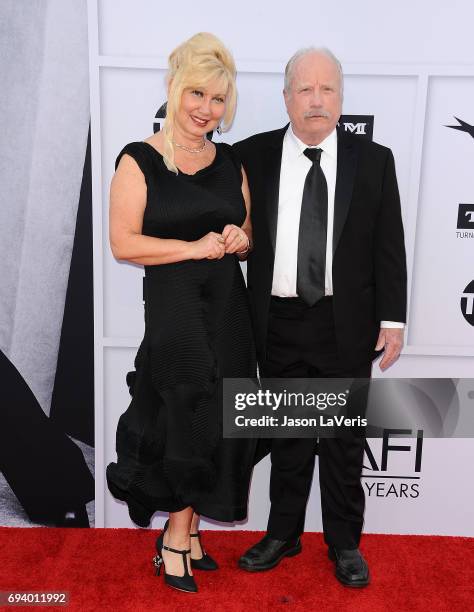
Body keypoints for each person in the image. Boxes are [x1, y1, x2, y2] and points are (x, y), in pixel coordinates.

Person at [233, 47, 407, 587]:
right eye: (304, 89)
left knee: (341, 443)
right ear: (285, 97)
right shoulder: (249, 156)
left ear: (340, 97)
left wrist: (393, 321)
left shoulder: (373, 161)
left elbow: (389, 246)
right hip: (278, 323)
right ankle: (283, 534)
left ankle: (345, 544)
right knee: (287, 439)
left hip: (345, 325)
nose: (315, 100)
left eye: (326, 89)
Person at [106, 33, 257, 594]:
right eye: (196, 92)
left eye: (218, 99)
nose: (206, 109)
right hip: (173, 304)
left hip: (228, 306)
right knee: (183, 413)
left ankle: (189, 531)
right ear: (173, 87)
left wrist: (240, 238)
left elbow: (248, 232)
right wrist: (194, 247)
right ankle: (174, 535)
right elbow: (124, 243)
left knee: (218, 414)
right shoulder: (139, 158)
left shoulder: (231, 161)